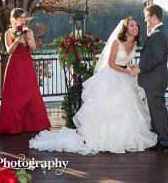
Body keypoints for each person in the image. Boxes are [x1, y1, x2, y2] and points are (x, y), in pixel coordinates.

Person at [29, 17, 157, 155]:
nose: (135, 28)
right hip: (112, 76)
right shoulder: (116, 42)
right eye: (131, 26)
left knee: (127, 107)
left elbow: (126, 61)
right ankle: (99, 138)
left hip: (125, 77)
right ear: (125, 29)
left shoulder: (134, 44)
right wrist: (126, 70)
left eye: (136, 26)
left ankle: (125, 138)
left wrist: (130, 67)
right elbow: (111, 64)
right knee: (107, 107)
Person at [0, 8, 51, 134]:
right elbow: (9, 51)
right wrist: (16, 41)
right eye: (20, 17)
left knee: (30, 90)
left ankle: (33, 124)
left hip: (26, 63)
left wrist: (26, 38)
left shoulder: (29, 31)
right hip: (14, 64)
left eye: (24, 17)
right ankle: (12, 125)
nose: (23, 19)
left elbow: (33, 48)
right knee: (14, 93)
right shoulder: (8, 32)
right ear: (14, 18)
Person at [138, 5, 168, 150]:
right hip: (156, 79)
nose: (145, 20)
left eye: (146, 16)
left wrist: (140, 68)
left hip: (155, 79)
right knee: (156, 110)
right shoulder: (160, 31)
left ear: (153, 17)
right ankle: (160, 138)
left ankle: (165, 141)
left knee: (158, 110)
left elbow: (157, 58)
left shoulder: (158, 33)